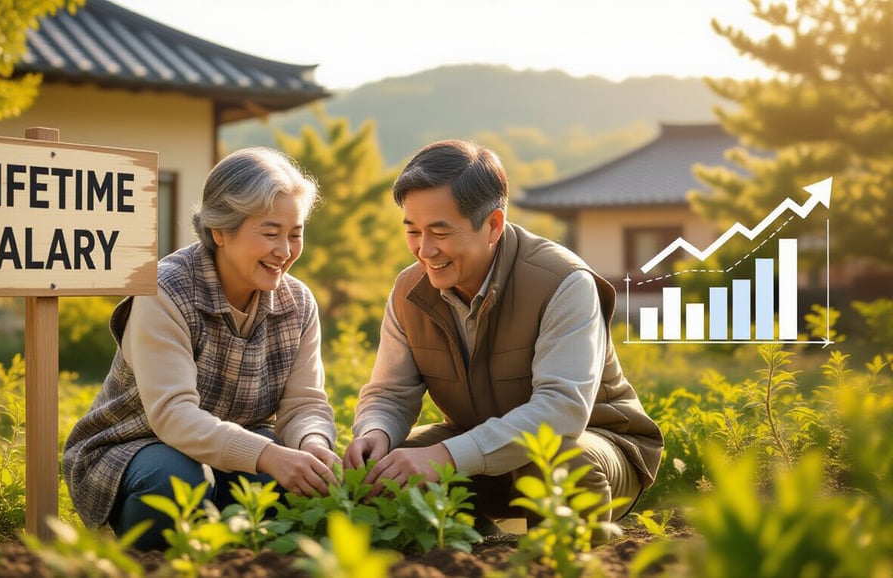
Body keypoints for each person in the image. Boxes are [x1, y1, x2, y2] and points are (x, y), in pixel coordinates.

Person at [343, 139, 663, 533]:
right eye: (413, 231)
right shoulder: (409, 291)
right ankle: (477, 545)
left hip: (590, 442)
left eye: (440, 232)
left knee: (556, 460)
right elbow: (389, 394)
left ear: (493, 225)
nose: (424, 250)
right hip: (475, 445)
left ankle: (558, 553)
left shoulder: (563, 282)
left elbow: (561, 411)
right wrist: (375, 432)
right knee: (387, 470)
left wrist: (444, 455)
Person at [63, 147, 339, 550]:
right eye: (269, 233)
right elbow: (173, 416)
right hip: (139, 447)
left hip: (239, 448)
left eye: (295, 234)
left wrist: (312, 445)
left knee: (296, 490)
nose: (284, 250)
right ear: (220, 232)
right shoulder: (166, 290)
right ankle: (151, 559)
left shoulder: (298, 303)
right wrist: (269, 455)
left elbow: (304, 405)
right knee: (179, 482)